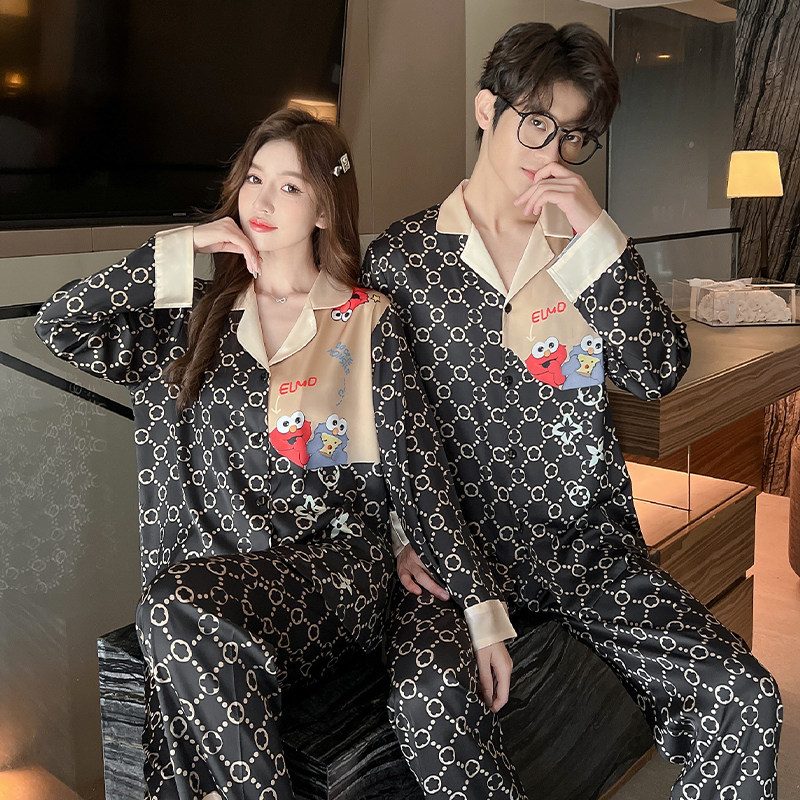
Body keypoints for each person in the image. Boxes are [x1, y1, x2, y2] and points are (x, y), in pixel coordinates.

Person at [35, 108, 516, 800]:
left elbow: (421, 475)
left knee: (171, 612)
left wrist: (482, 614)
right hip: (219, 590)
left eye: (289, 187)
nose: (260, 200)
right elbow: (61, 324)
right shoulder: (191, 321)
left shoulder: (365, 320)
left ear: (323, 209)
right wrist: (187, 243)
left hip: (336, 576)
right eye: (254, 179)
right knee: (171, 614)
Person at [364, 22, 782, 800]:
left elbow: (655, 370)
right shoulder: (403, 260)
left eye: (575, 135)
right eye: (536, 122)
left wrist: (598, 236)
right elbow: (374, 422)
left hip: (590, 551)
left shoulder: (586, 248)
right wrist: (396, 536)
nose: (552, 151)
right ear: (487, 110)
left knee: (747, 698)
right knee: (432, 707)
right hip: (462, 557)